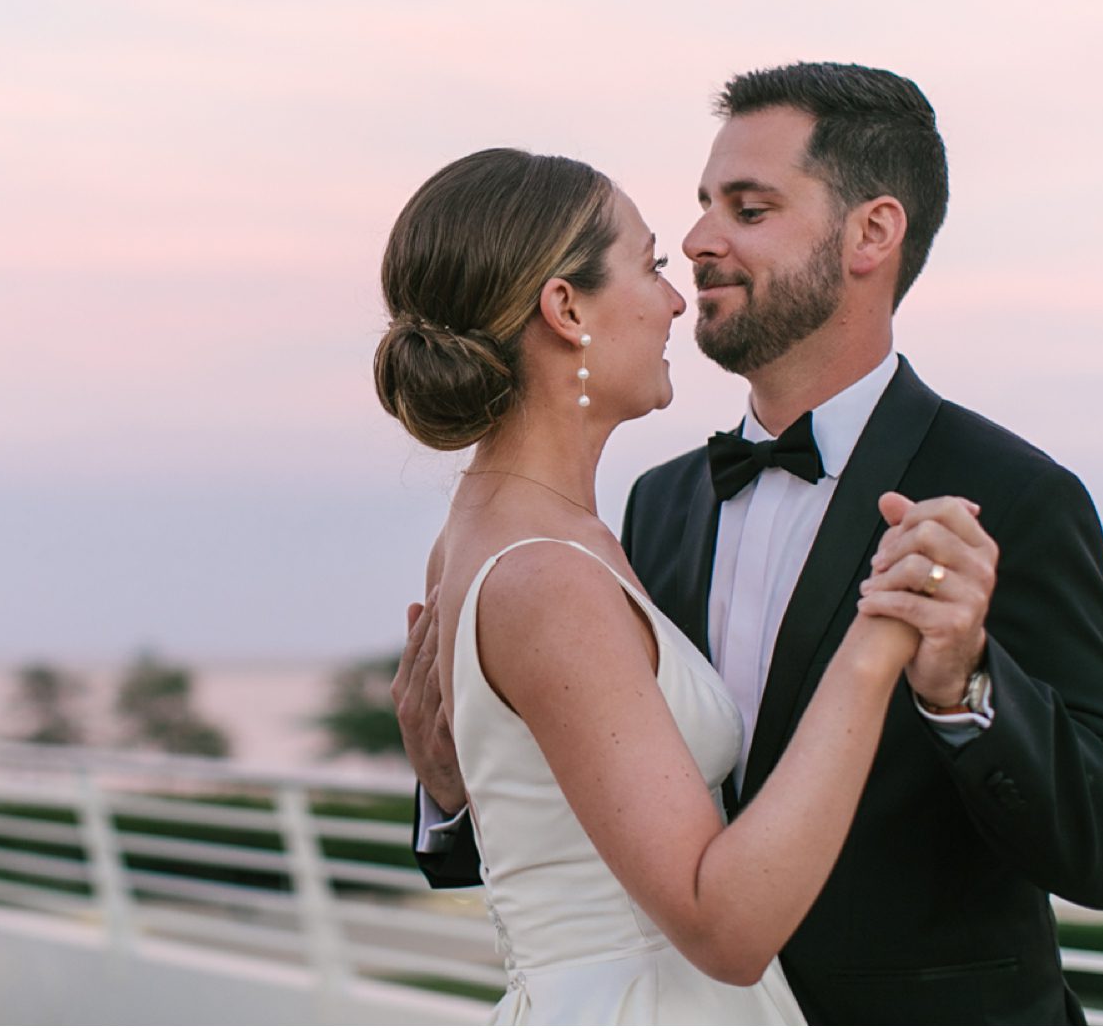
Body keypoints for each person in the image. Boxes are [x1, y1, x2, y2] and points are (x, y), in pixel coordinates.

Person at [395, 63, 1103, 1024]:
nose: (698, 242)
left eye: (748, 208)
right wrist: (457, 787)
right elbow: (618, 818)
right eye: (702, 206)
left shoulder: (1011, 495)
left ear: (871, 233)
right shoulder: (659, 506)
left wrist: (967, 689)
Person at [374, 146, 934, 1024]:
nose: (678, 300)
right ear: (566, 308)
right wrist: (881, 638)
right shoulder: (548, 575)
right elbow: (723, 927)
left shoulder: (497, 531)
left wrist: (453, 793)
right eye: (651, 265)